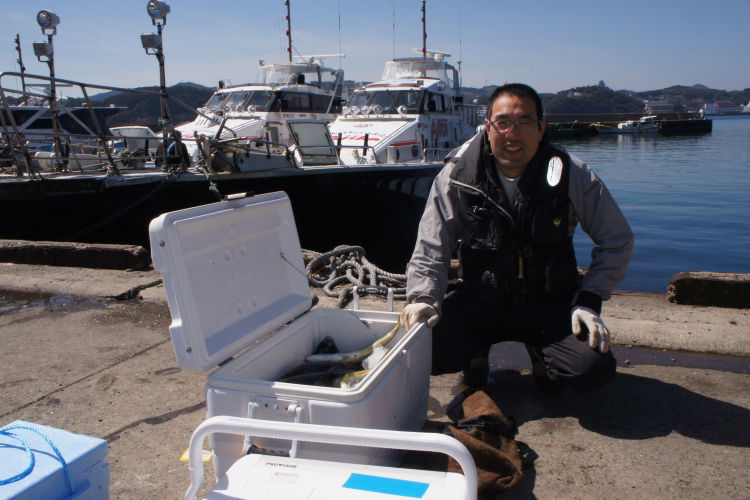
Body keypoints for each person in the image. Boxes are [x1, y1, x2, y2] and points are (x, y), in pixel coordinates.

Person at [400, 83, 633, 392]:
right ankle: (476, 354)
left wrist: (589, 300)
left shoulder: (570, 173)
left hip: (550, 305)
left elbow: (617, 240)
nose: (512, 134)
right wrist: (424, 299)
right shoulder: (457, 175)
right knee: (419, 351)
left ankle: (541, 352)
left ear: (541, 128)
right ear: (487, 127)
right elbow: (431, 246)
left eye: (524, 123)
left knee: (591, 369)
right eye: (503, 123)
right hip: (480, 302)